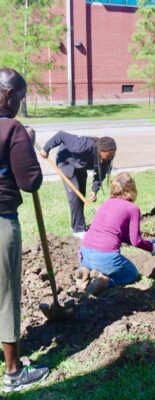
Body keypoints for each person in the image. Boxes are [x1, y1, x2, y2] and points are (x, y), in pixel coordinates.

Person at [0, 68, 49, 392]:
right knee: (6, 296)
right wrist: (27, 143)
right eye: (19, 95)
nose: (20, 101)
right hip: (2, 219)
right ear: (7, 94)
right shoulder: (12, 128)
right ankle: (14, 372)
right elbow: (30, 181)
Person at [78, 172, 155, 295]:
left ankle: (86, 271)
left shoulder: (105, 203)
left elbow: (120, 235)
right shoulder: (132, 208)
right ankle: (105, 282)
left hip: (84, 253)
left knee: (95, 263)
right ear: (132, 190)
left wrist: (149, 244)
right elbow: (136, 241)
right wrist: (152, 248)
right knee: (132, 274)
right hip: (104, 257)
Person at [40, 132, 116, 239]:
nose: (109, 158)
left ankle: (78, 225)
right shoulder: (83, 145)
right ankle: (78, 230)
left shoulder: (107, 158)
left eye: (111, 155)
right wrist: (46, 148)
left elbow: (100, 174)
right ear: (101, 150)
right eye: (108, 155)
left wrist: (94, 190)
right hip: (66, 161)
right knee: (74, 193)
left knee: (81, 194)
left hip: (80, 166)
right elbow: (61, 135)